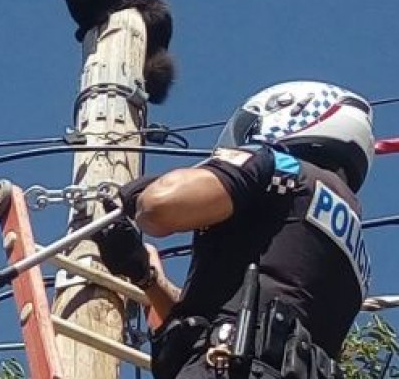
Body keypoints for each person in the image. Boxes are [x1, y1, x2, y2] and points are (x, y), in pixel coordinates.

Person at [94, 80, 375, 379]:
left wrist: (139, 195)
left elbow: (159, 208)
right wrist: (147, 277)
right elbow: (229, 316)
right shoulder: (356, 253)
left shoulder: (281, 168)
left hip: (228, 367)